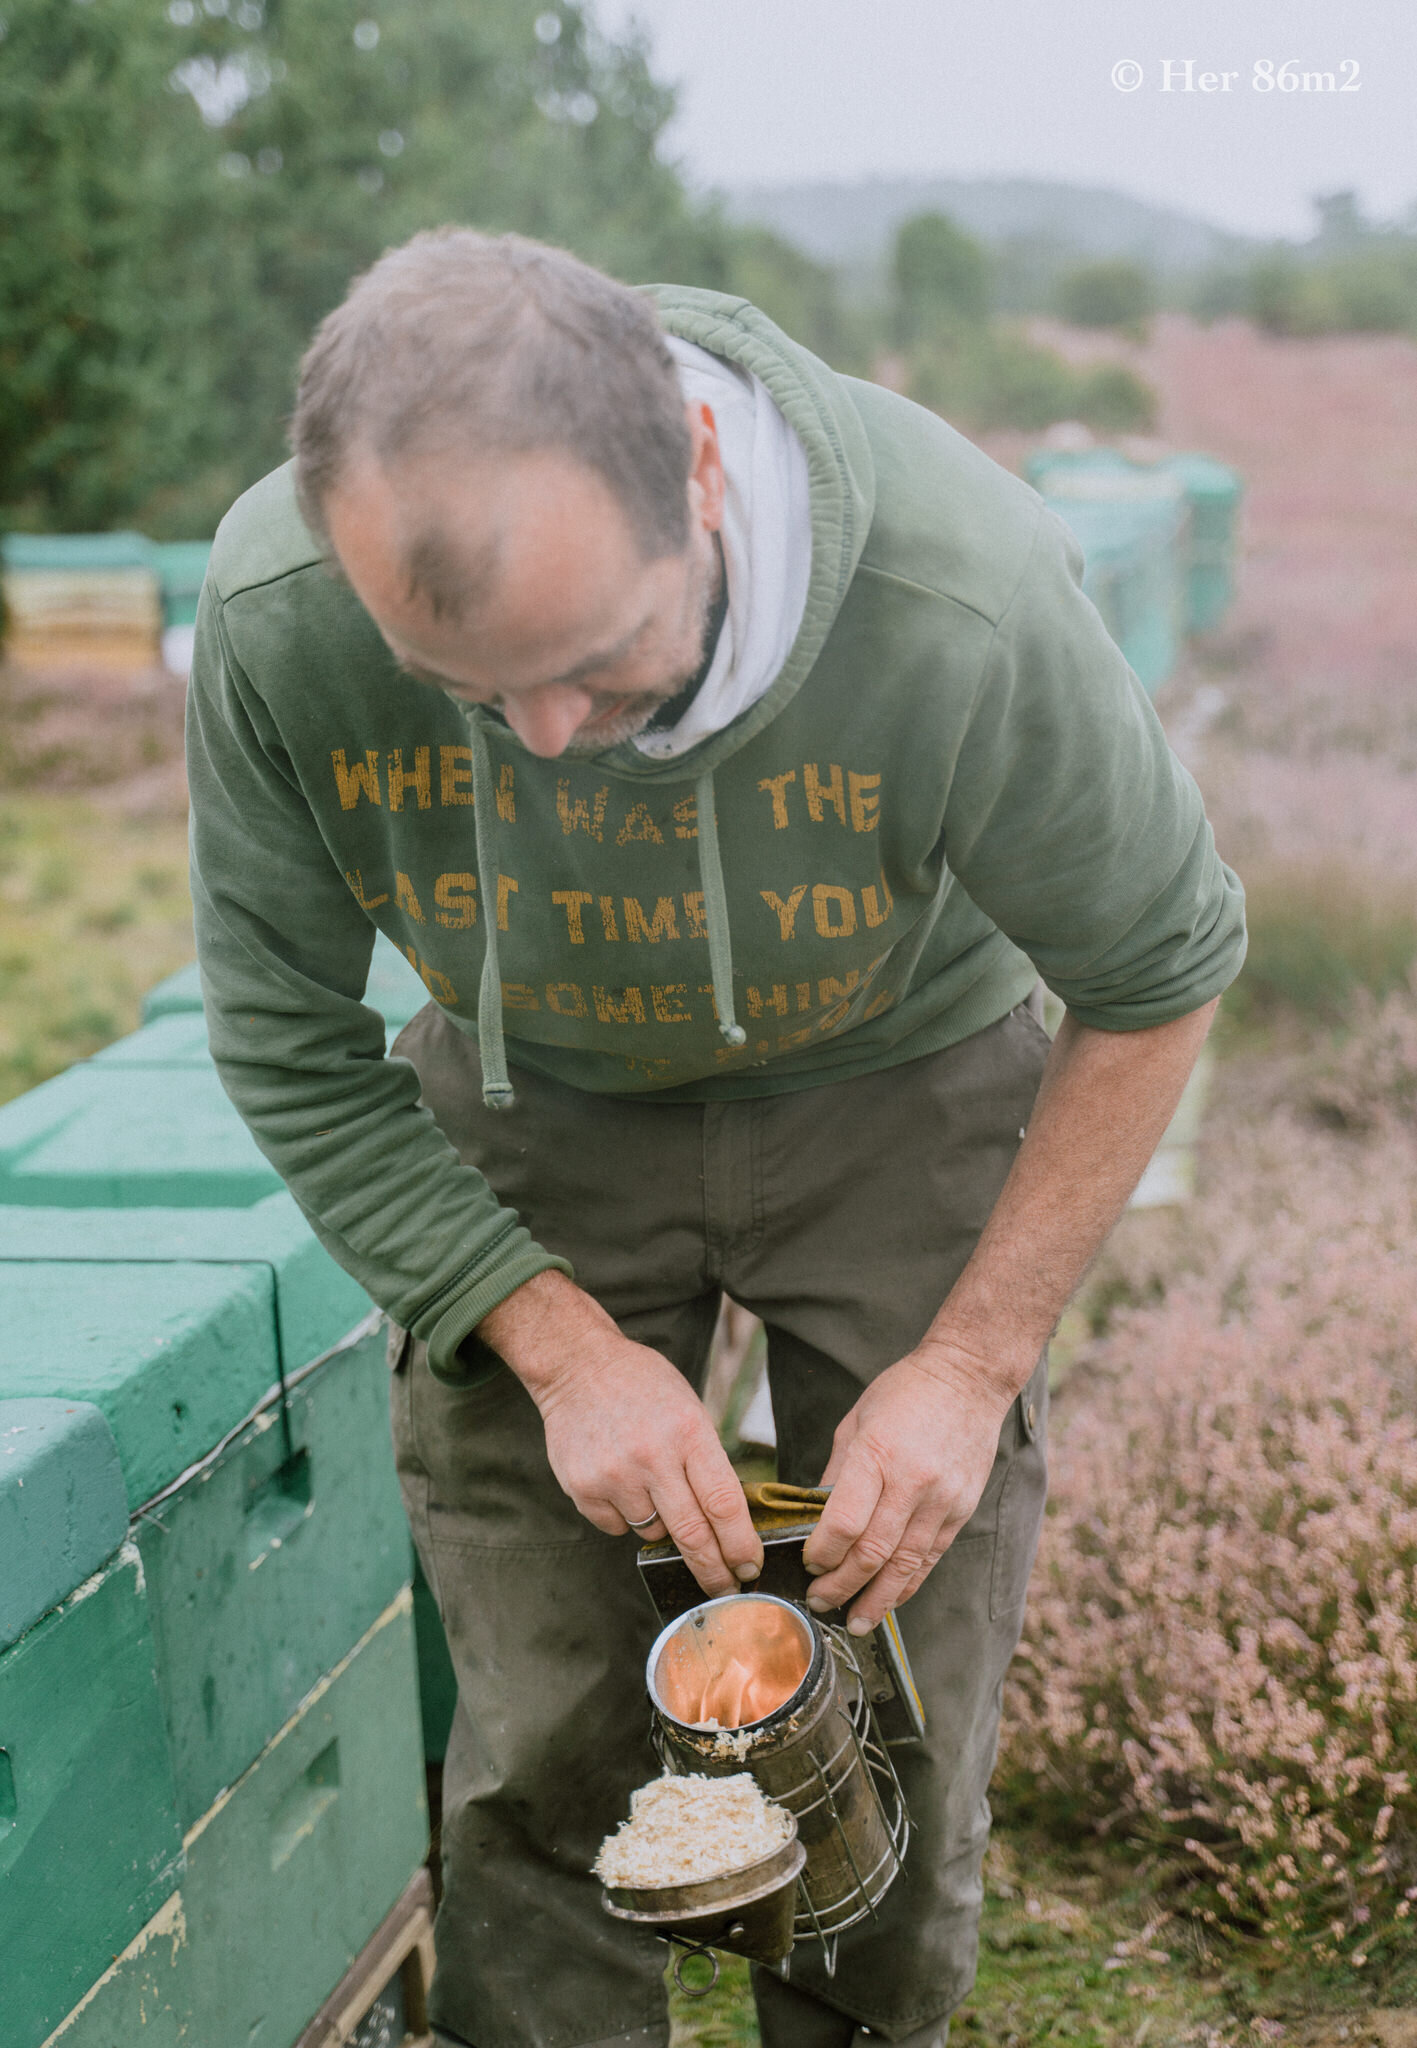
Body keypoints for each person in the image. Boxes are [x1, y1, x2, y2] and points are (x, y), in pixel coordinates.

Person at [187, 228, 1244, 2048]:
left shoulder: (957, 586)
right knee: (536, 1727)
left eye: (595, 667)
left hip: (902, 1084)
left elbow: (1160, 968)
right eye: (468, 693)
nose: (544, 741)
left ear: (693, 465)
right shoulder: (277, 610)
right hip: (534, 1110)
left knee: (894, 1699)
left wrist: (972, 1362)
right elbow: (284, 1033)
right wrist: (550, 1337)